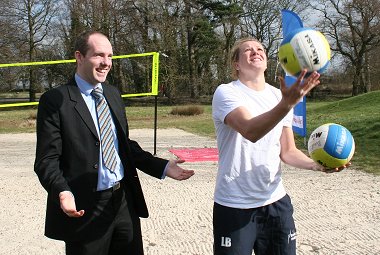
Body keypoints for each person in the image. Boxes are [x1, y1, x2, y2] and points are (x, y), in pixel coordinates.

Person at [34, 31, 194, 255]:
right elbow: (46, 160)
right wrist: (62, 191)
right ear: (79, 57)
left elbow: (124, 146)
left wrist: (163, 167)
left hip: (122, 201)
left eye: (110, 56)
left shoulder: (112, 94)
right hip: (85, 206)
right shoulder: (55, 100)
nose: (106, 63)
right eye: (99, 55)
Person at [211, 37, 349, 255]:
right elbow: (250, 130)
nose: (255, 52)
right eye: (247, 50)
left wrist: (316, 165)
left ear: (266, 61)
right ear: (236, 64)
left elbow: (288, 151)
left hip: (275, 203)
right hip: (234, 204)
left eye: (260, 49)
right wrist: (286, 105)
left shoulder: (278, 95)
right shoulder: (227, 92)